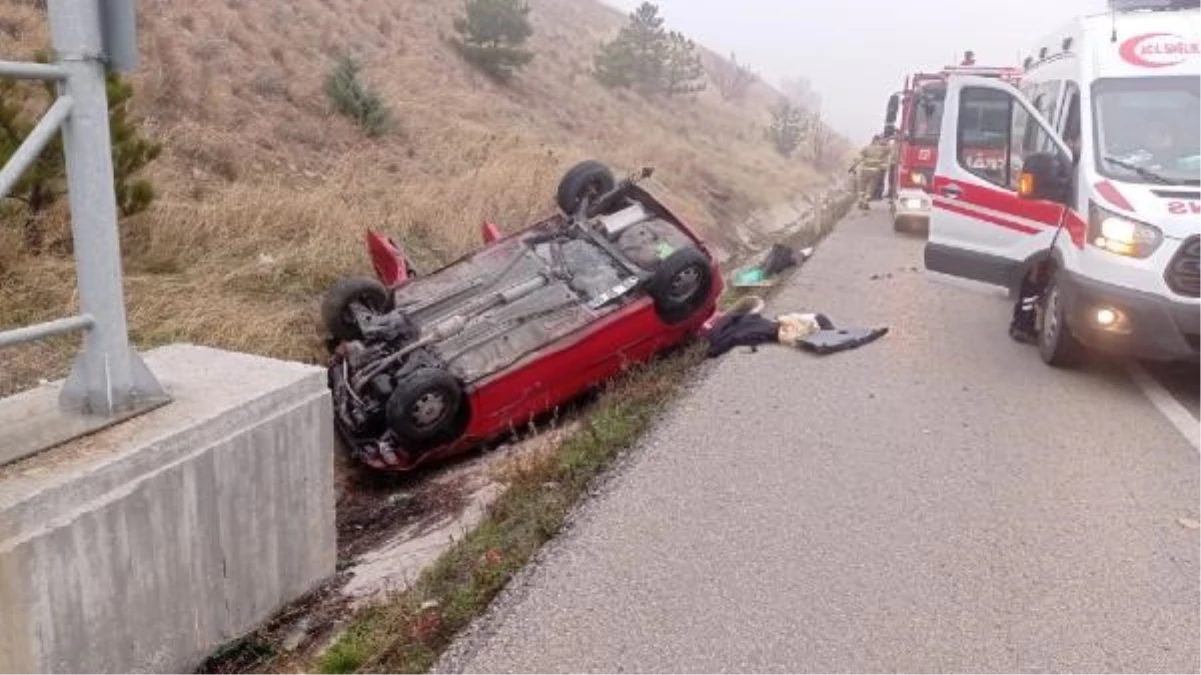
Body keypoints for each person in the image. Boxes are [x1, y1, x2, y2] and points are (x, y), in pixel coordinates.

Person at [849, 135, 891, 210]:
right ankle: (866, 202)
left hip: (864, 171)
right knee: (871, 188)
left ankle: (860, 201)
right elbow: (889, 150)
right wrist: (887, 141)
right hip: (875, 172)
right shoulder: (882, 149)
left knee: (862, 187)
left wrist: (853, 167)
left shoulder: (866, 148)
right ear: (877, 140)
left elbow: (859, 158)